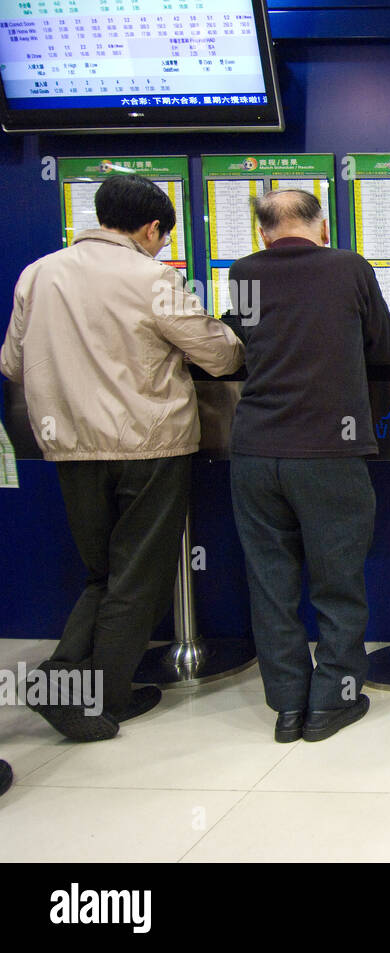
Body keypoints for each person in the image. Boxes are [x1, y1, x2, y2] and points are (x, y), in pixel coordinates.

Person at [1, 173, 244, 741]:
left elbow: (12, 361)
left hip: (68, 445)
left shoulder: (37, 274)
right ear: (152, 228)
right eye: (163, 237)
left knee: (101, 573)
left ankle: (65, 682)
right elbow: (216, 355)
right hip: (147, 444)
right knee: (138, 574)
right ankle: (91, 699)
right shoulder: (151, 277)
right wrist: (233, 338)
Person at [224, 190, 390, 742]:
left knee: (270, 584)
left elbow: (242, 341)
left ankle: (286, 707)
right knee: (338, 580)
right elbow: (385, 348)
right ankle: (332, 700)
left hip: (255, 449)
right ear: (321, 227)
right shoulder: (348, 266)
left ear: (262, 233)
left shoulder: (244, 271)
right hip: (330, 448)